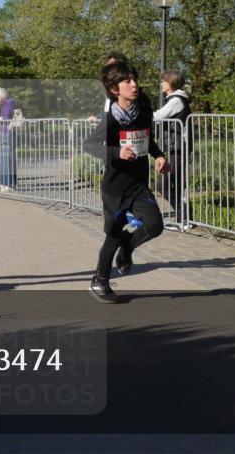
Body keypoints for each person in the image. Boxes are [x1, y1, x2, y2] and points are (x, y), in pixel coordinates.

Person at [84, 60, 169, 303]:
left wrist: (160, 155)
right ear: (114, 90)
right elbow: (89, 145)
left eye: (134, 79)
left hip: (139, 185)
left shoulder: (142, 110)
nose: (134, 84)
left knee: (154, 226)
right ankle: (100, 280)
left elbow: (147, 139)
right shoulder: (112, 119)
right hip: (115, 189)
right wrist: (116, 152)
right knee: (113, 235)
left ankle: (129, 247)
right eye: (127, 81)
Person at [153, 70, 192, 227]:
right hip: (174, 147)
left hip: (176, 148)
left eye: (164, 81)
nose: (162, 83)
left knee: (164, 185)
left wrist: (137, 115)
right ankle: (183, 219)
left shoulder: (176, 100)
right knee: (171, 184)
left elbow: (158, 116)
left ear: (172, 82)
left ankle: (184, 219)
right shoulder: (175, 98)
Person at [0, 87, 18, 193]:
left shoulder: (9, 102)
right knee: (2, 160)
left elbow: (6, 118)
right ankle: (3, 182)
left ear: (1, 95)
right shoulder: (7, 103)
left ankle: (8, 184)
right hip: (4, 133)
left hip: (7, 133)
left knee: (7, 159)